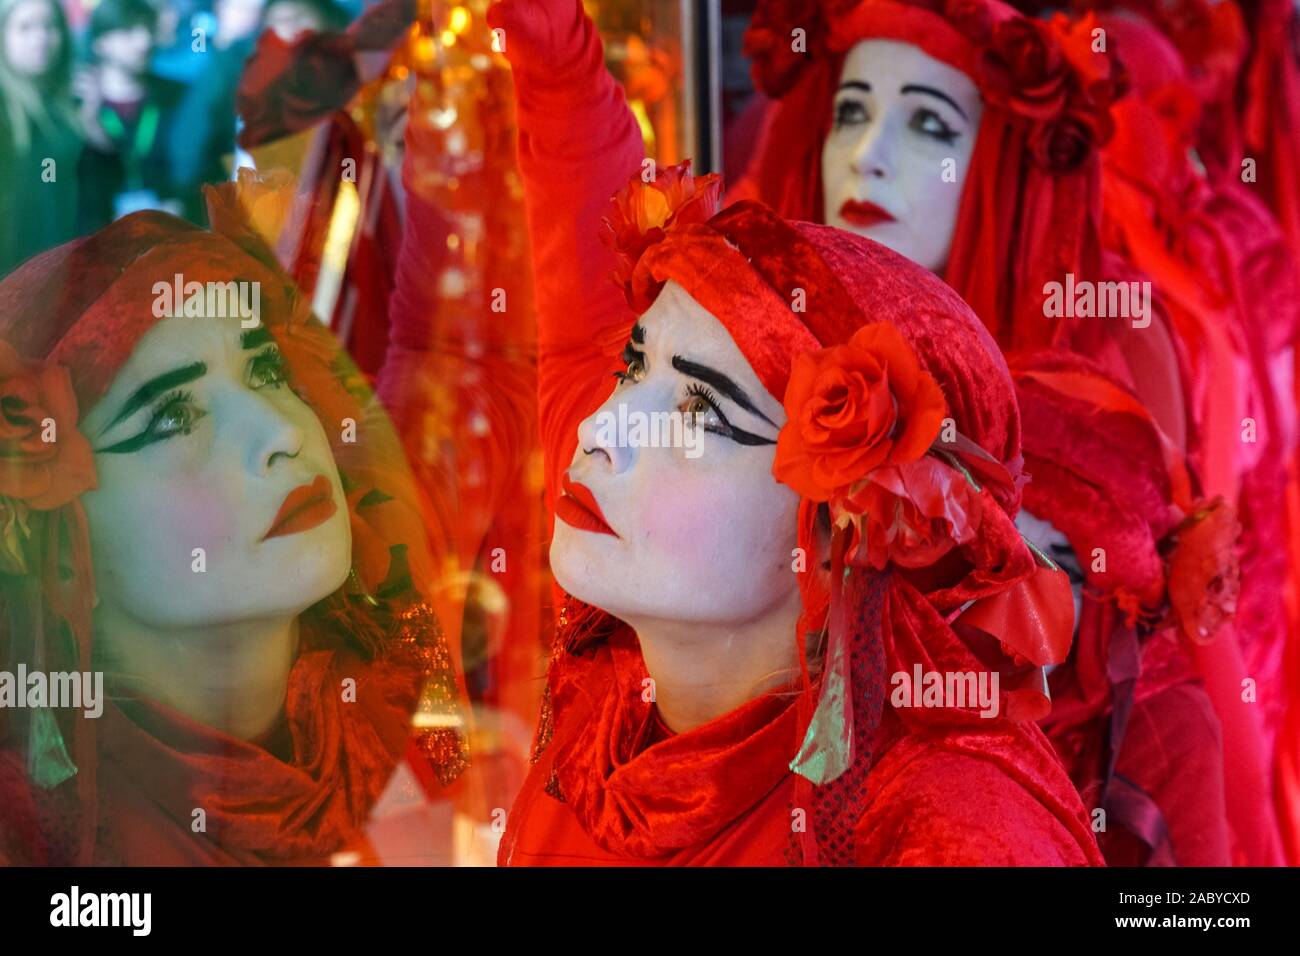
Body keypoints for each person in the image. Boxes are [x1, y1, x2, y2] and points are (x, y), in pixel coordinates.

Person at [0, 179, 468, 865]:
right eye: (172, 417)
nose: (280, 430)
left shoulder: (399, 665)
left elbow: (456, 357)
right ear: (63, 553)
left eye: (267, 371)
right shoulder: (51, 847)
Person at [1011, 350, 1239, 865]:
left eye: (1063, 567)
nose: (1009, 597)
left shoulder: (1170, 735)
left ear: (1111, 604)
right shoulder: (908, 663)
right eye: (989, 552)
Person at [77, 0, 187, 230]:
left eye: (148, 28)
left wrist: (182, 204)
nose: (144, 42)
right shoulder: (78, 104)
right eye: (128, 31)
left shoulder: (177, 97)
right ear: (100, 42)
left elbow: (204, 168)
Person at [0, 0, 83, 275]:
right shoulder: (5, 109)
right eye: (25, 28)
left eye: (50, 26)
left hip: (57, 278)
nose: (41, 38)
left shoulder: (67, 105)